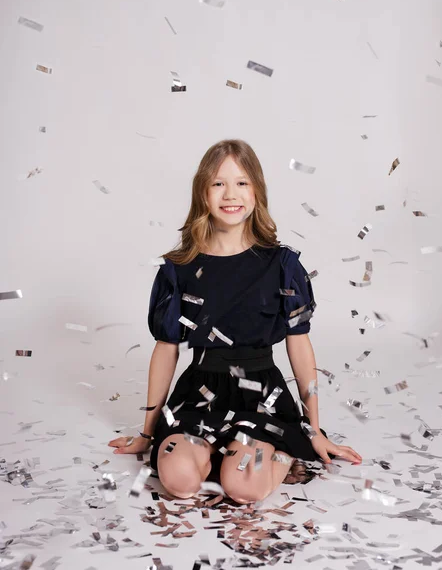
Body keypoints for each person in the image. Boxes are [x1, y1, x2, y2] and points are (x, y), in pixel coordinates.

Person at [108, 139, 362, 503]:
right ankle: (215, 449)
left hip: (262, 397)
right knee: (179, 482)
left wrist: (314, 430)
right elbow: (166, 348)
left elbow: (299, 343)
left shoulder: (282, 265)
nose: (231, 194)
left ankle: (257, 454)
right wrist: (148, 434)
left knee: (242, 488)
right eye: (218, 183)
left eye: (242, 182)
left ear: (257, 190)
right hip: (199, 395)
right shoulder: (178, 269)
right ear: (203, 193)